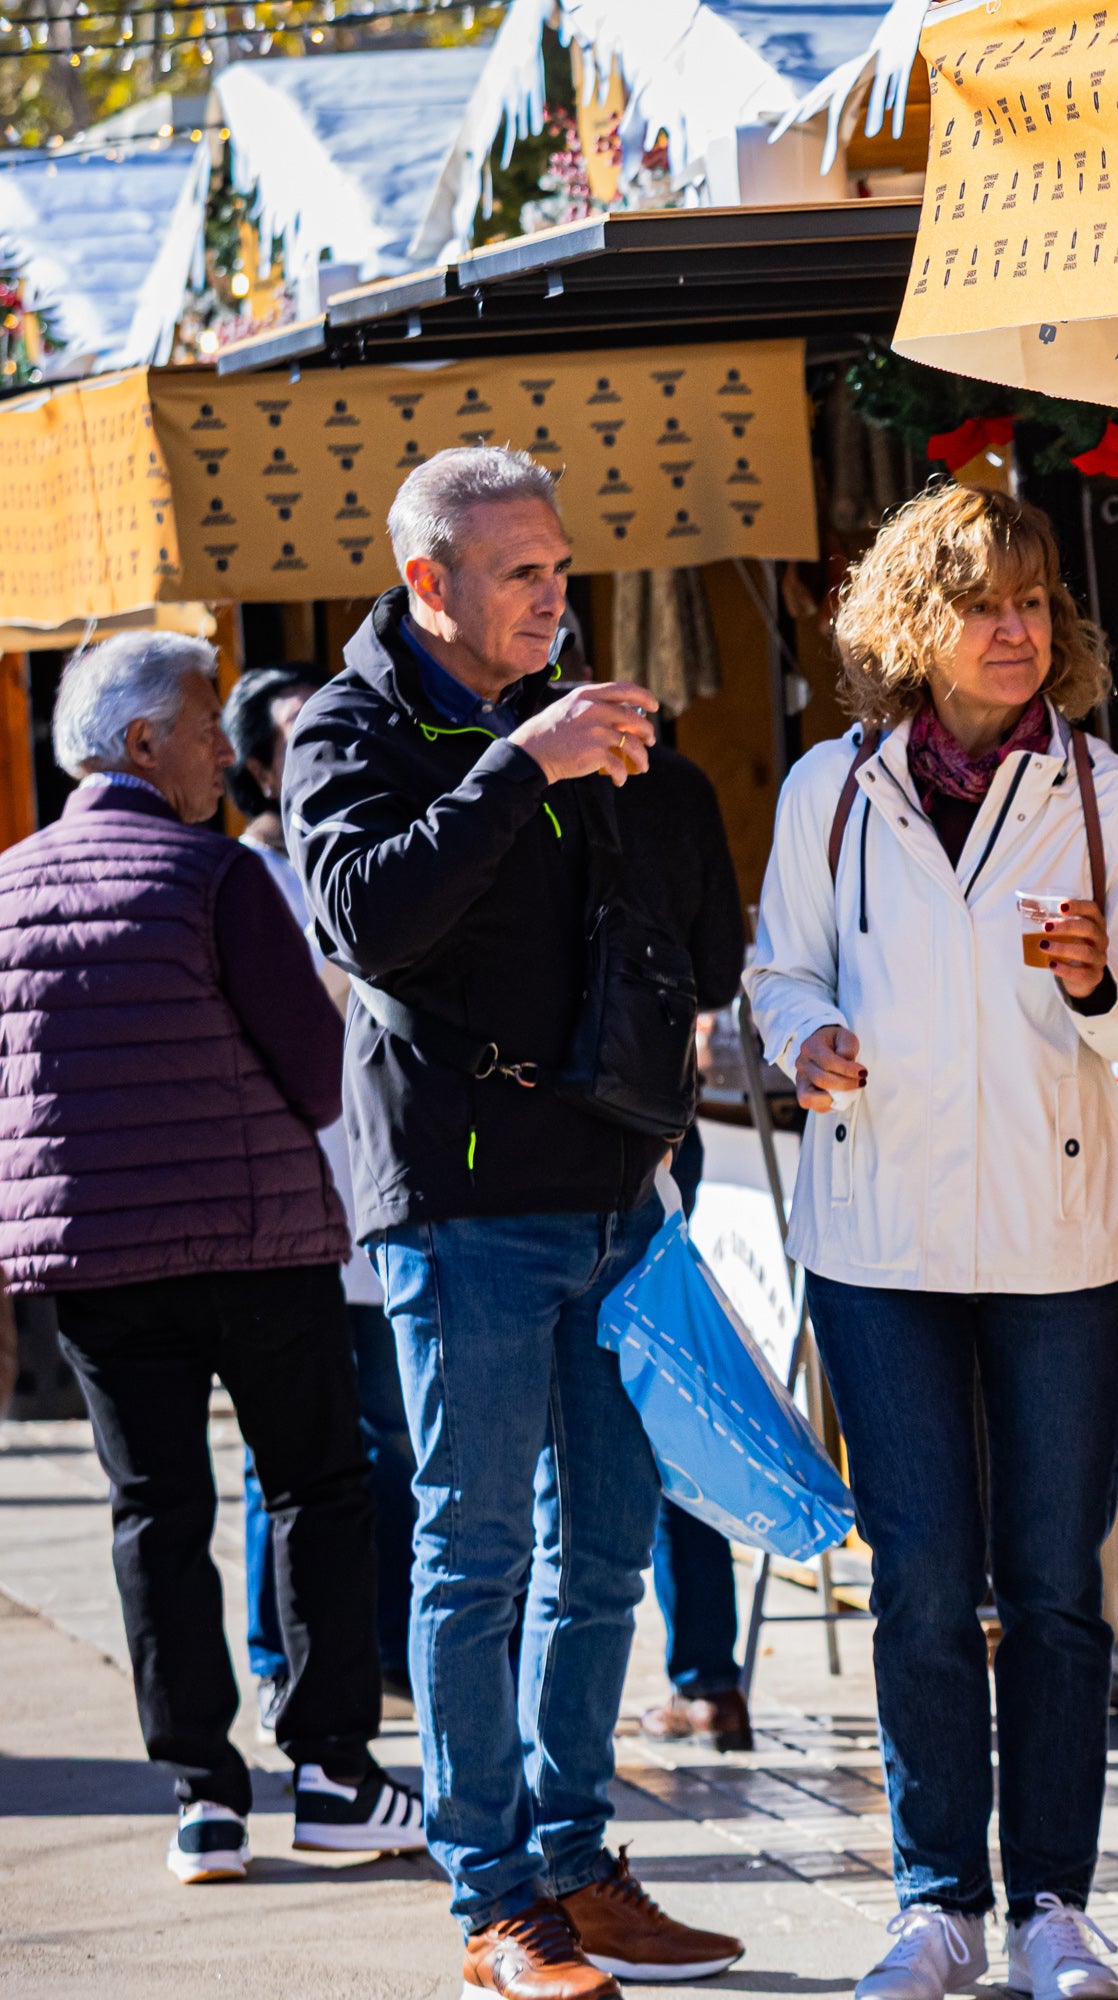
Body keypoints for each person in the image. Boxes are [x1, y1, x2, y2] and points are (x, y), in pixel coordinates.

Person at [282, 446, 743, 1999]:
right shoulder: (353, 726)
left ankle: (571, 1854)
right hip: (461, 1205)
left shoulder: (572, 716)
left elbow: (682, 935)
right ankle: (493, 1901)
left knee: (604, 1551)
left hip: (613, 1191)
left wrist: (647, 784)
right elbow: (367, 919)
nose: (558, 594)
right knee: (472, 1555)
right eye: (523, 573)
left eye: (561, 566)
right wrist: (520, 768)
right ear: (432, 584)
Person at [745, 484, 1118, 2000]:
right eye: (982, 605)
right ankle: (936, 1898)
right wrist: (806, 1040)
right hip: (880, 1243)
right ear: (910, 625)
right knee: (925, 1583)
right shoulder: (832, 788)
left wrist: (1091, 989)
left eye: (1033, 604)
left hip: (1063, 1248)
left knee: (1056, 1585)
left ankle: (1055, 1902)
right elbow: (777, 971)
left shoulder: (1106, 797)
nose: (1016, 631)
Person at [0, 633, 425, 1883]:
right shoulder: (217, 876)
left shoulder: (9, 884)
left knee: (155, 1512)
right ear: (143, 743)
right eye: (200, 722)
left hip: (96, 1262)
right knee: (312, 1487)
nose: (221, 752)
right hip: (254, 1241)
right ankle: (337, 1772)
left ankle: (202, 1797)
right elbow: (314, 1074)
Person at [223, 663, 420, 1722]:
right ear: (259, 766)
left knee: (391, 1440)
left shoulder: (374, 848)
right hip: (294, 1207)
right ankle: (275, 1655)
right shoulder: (245, 880)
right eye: (298, 737)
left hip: (381, 1199)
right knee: (285, 1452)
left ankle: (382, 1647)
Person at [617, 747, 751, 1757]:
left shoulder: (485, 766)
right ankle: (706, 1676)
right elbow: (718, 970)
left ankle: (554, 1731)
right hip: (660, 1125)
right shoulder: (674, 778)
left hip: (514, 1150)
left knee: (545, 1446)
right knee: (669, 1394)